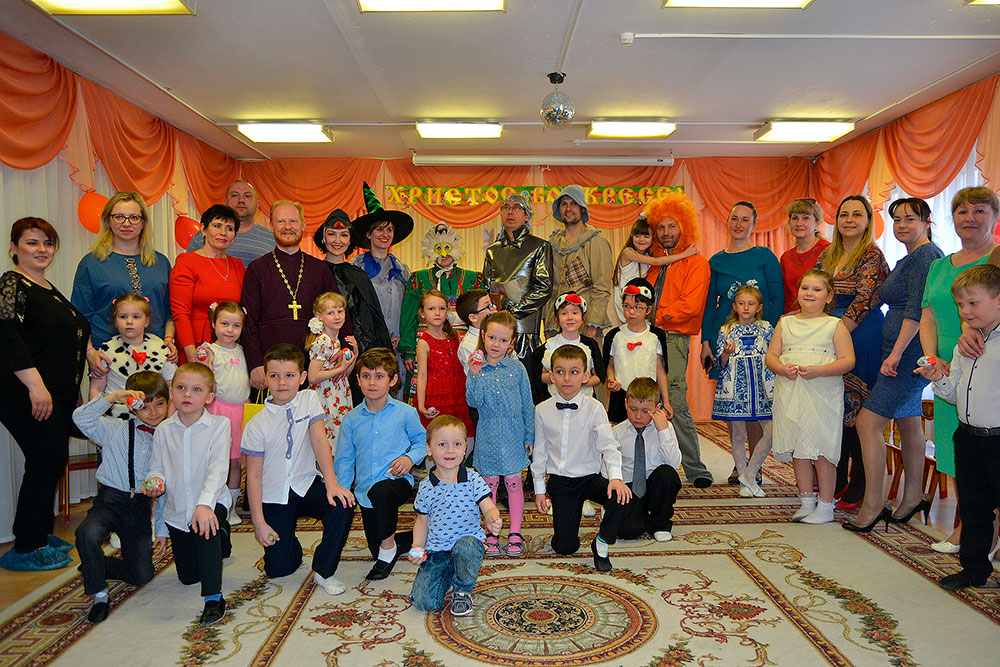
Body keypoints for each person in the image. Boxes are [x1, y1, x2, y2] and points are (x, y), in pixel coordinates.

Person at [845, 198, 943, 532]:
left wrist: (896, 353)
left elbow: (917, 310)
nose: (902, 225)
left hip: (908, 352)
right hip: (900, 349)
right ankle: (913, 496)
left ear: (927, 222)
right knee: (909, 422)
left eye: (910, 219)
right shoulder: (911, 256)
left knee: (867, 423)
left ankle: (874, 503)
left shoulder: (926, 256)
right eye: (897, 219)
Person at [0, 218, 90, 572]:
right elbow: (7, 337)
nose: (41, 249)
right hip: (26, 392)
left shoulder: (45, 287)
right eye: (32, 242)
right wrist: (36, 386)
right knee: (44, 461)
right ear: (14, 248)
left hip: (56, 393)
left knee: (51, 461)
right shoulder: (12, 284)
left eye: (47, 243)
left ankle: (39, 531)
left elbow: (59, 342)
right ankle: (26, 545)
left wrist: (74, 387)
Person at [919, 186, 999, 553]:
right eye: (962, 211)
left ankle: (978, 531)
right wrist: (933, 359)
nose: (970, 218)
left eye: (980, 211)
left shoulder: (997, 258)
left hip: (983, 359)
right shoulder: (939, 265)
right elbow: (928, 315)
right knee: (955, 451)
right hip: (947, 367)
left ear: (994, 218)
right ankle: (970, 526)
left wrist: (972, 332)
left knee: (986, 454)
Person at [242, 344, 356, 595]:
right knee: (279, 569)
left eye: (290, 375)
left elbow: (319, 440)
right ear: (265, 378)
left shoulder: (309, 399)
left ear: (302, 377)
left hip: (305, 484)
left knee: (343, 503)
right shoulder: (256, 424)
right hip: (274, 494)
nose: (282, 382)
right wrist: (259, 523)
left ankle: (324, 571)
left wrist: (332, 483)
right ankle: (288, 542)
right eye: (274, 375)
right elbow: (254, 476)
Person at [918, 264, 1000, 590]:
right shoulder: (964, 345)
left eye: (973, 303)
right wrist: (938, 378)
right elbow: (954, 392)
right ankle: (974, 569)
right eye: (960, 304)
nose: (965, 311)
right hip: (968, 436)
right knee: (973, 508)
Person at [72, 372, 168, 623]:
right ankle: (100, 595)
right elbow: (80, 418)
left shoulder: (169, 438)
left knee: (142, 576)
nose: (153, 412)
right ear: (133, 406)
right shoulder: (114, 429)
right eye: (145, 406)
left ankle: (97, 564)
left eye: (160, 404)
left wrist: (161, 528)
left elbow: (166, 491)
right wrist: (113, 397)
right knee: (87, 533)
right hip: (110, 501)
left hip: (139, 509)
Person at [143, 363, 232, 627]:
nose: (187, 394)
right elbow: (157, 468)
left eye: (196, 390)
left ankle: (214, 599)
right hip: (177, 511)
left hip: (211, 503)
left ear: (209, 396)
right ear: (172, 392)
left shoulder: (219, 425)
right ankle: (221, 538)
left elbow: (218, 469)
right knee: (189, 577)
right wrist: (155, 482)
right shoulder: (164, 430)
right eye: (181, 388)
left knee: (205, 527)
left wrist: (204, 505)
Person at [700, 201, 782, 484]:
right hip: (726, 340)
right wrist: (706, 340)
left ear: (754, 225)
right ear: (728, 221)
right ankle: (739, 465)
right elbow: (709, 305)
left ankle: (755, 467)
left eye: (745, 219)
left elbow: (777, 298)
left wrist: (775, 338)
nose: (738, 224)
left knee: (757, 406)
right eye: (734, 218)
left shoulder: (765, 256)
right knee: (732, 403)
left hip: (760, 342)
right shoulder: (716, 261)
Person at [531, 345, 631, 571]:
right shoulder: (542, 410)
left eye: (574, 372)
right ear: (551, 376)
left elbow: (609, 445)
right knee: (565, 547)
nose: (567, 378)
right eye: (560, 372)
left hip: (590, 478)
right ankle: (566, 528)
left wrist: (616, 478)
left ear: (586, 376)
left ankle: (602, 542)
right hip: (561, 482)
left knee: (621, 495)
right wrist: (539, 490)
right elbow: (540, 451)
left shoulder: (595, 408)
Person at [817, 195, 889, 509]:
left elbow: (864, 300)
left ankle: (860, 483)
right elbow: (815, 289)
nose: (849, 220)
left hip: (862, 334)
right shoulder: (827, 254)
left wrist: (834, 334)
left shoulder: (872, 255)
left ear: (868, 221)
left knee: (859, 413)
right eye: (844, 214)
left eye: (857, 214)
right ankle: (837, 479)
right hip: (829, 333)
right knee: (835, 408)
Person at [767, 270, 855, 524]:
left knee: (822, 447)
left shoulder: (834, 325)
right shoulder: (785, 323)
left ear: (829, 296)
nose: (809, 293)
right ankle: (806, 500)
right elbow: (771, 355)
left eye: (817, 289)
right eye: (805, 288)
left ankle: (826, 505)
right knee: (799, 446)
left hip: (822, 392)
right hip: (791, 390)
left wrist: (819, 371)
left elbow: (848, 360)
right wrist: (781, 368)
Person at [334, 347, 426, 580]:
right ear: (358, 380)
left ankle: (387, 552)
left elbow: (422, 441)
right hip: (365, 491)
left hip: (397, 481)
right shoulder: (351, 419)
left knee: (382, 491)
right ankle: (423, 535)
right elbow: (345, 459)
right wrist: (343, 490)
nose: (372, 382)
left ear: (392, 380)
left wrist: (409, 459)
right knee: (376, 547)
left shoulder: (405, 413)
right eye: (366, 376)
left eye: (379, 376)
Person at [644, 191, 714, 487]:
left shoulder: (696, 262)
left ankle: (696, 469)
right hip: (647, 338)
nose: (666, 232)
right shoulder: (656, 263)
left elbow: (690, 306)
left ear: (685, 227)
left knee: (674, 401)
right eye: (660, 227)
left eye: (672, 226)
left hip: (672, 339)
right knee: (645, 399)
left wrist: (654, 317)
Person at [241, 200, 345, 392]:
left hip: (314, 365)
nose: (287, 227)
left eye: (293, 221)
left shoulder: (319, 269)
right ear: (271, 226)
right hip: (270, 365)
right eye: (281, 221)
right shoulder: (257, 269)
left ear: (303, 225)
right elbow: (249, 321)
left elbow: (338, 312)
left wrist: (345, 349)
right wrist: (255, 364)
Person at [408, 415, 502, 617]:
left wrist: (492, 517)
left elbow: (488, 506)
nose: (450, 450)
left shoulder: (473, 478)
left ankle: (462, 590)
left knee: (467, 546)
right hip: (437, 549)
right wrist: (417, 545)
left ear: (465, 448)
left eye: (457, 444)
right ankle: (450, 572)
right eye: (442, 444)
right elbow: (422, 521)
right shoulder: (425, 486)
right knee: (423, 602)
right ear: (429, 449)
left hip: (468, 544)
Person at [72, 191, 176, 362]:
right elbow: (80, 317)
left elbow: (170, 312)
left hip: (155, 355)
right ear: (108, 221)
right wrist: (89, 351)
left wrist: (169, 340)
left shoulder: (160, 262)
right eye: (119, 217)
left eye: (134, 217)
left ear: (143, 223)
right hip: (107, 357)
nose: (126, 223)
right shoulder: (91, 263)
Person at [466, 312, 534, 557]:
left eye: (503, 340)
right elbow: (473, 401)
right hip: (488, 434)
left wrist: (530, 436)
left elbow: (527, 405)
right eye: (492, 338)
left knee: (514, 484)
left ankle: (515, 532)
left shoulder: (517, 369)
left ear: (511, 343)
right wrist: (474, 374)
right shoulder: (477, 369)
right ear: (483, 336)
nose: (496, 344)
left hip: (513, 433)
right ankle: (491, 533)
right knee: (489, 486)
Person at [481, 192, 553, 397]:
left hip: (525, 333)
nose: (510, 212)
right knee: (496, 390)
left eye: (516, 208)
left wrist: (512, 312)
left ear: (526, 215)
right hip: (496, 333)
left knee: (526, 391)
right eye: (506, 207)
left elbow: (544, 287)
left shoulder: (540, 246)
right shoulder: (493, 251)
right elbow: (486, 288)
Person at [712, 284, 775, 498]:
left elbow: (775, 354)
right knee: (738, 433)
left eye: (751, 303)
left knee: (771, 432)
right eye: (741, 303)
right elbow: (718, 364)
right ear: (734, 306)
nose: (746, 307)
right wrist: (726, 354)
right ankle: (743, 477)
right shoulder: (726, 330)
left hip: (762, 388)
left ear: (759, 307)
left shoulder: (766, 328)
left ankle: (750, 473)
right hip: (735, 389)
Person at [351, 184, 413, 397]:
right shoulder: (356, 267)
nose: (385, 234)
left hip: (395, 348)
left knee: (395, 397)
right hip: (368, 346)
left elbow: (408, 309)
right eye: (379, 229)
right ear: (369, 234)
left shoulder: (402, 269)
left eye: (389, 230)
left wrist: (403, 338)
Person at [400, 222, 483, 376]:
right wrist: (409, 351)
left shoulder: (472, 279)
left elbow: (482, 317)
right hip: (427, 345)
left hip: (463, 347)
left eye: (448, 247)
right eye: (438, 248)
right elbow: (409, 317)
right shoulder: (418, 278)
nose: (444, 254)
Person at [170, 204, 246, 362]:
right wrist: (191, 356)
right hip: (196, 346)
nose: (223, 232)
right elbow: (180, 314)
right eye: (217, 226)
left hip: (230, 347)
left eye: (229, 228)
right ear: (203, 229)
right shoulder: (187, 262)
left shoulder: (238, 265)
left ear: (234, 236)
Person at [313, 209, 391, 358]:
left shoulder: (359, 276)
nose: (337, 241)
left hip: (357, 352)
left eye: (343, 235)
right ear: (323, 238)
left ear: (350, 240)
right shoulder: (314, 273)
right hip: (321, 352)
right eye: (331, 234)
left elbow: (374, 320)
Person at [611, 377, 682, 542]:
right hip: (629, 489)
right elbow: (609, 469)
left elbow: (674, 464)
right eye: (633, 409)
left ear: (657, 408)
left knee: (667, 474)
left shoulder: (665, 428)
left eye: (645, 411)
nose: (637, 416)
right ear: (625, 403)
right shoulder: (617, 432)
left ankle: (660, 524)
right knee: (627, 531)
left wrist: (663, 431)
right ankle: (640, 516)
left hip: (656, 487)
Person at [198, 302, 251, 522]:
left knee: (236, 462)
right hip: (218, 410)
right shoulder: (209, 350)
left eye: (236, 325)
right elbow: (204, 378)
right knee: (218, 460)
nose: (230, 330)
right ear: (213, 323)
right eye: (224, 324)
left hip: (241, 411)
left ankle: (230, 507)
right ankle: (213, 502)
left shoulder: (243, 350)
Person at [545, 185, 613, 340]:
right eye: (564, 204)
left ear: (582, 208)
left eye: (574, 203)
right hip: (556, 326)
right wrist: (547, 322)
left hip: (585, 326)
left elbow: (602, 288)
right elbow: (549, 288)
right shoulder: (553, 244)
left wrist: (592, 326)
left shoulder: (595, 242)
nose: (568, 208)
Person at [603, 279, 671, 424]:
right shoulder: (615, 335)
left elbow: (660, 370)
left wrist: (666, 401)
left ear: (648, 309)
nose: (632, 311)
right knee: (620, 431)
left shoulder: (655, 336)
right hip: (621, 394)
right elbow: (610, 365)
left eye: (638, 307)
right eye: (627, 306)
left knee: (649, 430)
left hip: (648, 396)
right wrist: (611, 380)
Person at [612, 216, 697, 325]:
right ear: (632, 236)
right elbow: (656, 262)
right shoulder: (628, 252)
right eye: (637, 236)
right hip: (626, 299)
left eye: (646, 236)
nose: (641, 239)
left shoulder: (648, 255)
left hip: (639, 302)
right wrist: (684, 254)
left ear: (653, 238)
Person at [90, 293, 176, 397]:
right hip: (116, 406)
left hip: (153, 407)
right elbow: (96, 389)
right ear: (115, 321)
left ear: (146, 321)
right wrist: (97, 407)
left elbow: (171, 386)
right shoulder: (106, 350)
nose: (129, 321)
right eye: (123, 316)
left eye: (136, 317)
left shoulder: (160, 348)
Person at [414, 290, 473, 436]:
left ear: (447, 311)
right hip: (436, 396)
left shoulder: (455, 337)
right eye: (431, 309)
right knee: (439, 435)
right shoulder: (423, 342)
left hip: (458, 394)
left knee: (461, 433)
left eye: (441, 308)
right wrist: (421, 405)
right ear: (422, 313)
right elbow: (422, 375)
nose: (437, 313)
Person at [306, 292, 357, 449]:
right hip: (325, 396)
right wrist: (341, 367)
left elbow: (344, 375)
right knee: (328, 441)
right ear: (319, 316)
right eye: (330, 313)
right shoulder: (323, 341)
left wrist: (355, 353)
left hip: (338, 394)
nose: (337, 316)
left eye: (340, 311)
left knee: (338, 439)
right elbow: (313, 377)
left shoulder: (335, 341)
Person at [186, 180, 276, 266]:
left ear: (257, 205)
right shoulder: (204, 236)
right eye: (235, 195)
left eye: (247, 196)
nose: (241, 200)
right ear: (225, 202)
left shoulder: (272, 240)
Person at [536, 292, 605, 399]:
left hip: (584, 400)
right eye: (564, 313)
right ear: (557, 318)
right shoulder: (549, 345)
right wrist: (559, 380)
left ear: (582, 317)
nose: (570, 317)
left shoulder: (590, 345)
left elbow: (598, 376)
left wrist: (579, 383)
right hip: (554, 400)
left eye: (575, 313)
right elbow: (538, 376)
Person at [779, 198, 831, 313]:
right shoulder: (786, 257)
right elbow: (785, 295)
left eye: (805, 218)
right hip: (792, 318)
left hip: (820, 316)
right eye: (795, 218)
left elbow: (832, 291)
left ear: (817, 223)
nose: (799, 223)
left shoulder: (828, 250)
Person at [455, 289, 495, 373]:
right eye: (488, 306)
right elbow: (477, 375)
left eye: (492, 304)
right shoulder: (468, 345)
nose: (494, 307)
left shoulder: (498, 333)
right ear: (473, 317)